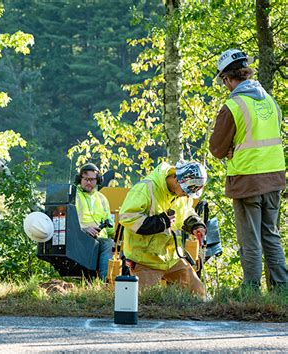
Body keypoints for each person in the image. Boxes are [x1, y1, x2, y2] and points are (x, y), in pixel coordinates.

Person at [209, 49, 287, 290]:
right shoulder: (270, 101)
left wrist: (231, 148)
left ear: (228, 78)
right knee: (271, 236)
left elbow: (216, 148)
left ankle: (251, 290)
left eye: (224, 81)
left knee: (250, 239)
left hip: (247, 180)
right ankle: (282, 289)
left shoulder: (233, 105)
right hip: (274, 177)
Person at [118, 161, 207, 296]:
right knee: (146, 302)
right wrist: (159, 222)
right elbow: (127, 217)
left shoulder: (182, 194)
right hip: (144, 259)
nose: (187, 196)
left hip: (171, 258)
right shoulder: (145, 188)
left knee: (199, 294)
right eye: (186, 191)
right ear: (177, 179)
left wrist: (195, 225)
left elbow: (186, 212)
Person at [74, 163, 114, 281]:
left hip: (99, 238)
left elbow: (110, 224)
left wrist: (121, 235)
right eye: (86, 179)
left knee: (115, 245)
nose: (89, 182)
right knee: (107, 244)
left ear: (98, 181)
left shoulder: (102, 199)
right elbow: (67, 220)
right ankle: (104, 282)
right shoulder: (73, 196)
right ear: (79, 179)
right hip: (79, 236)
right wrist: (83, 228)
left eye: (92, 180)